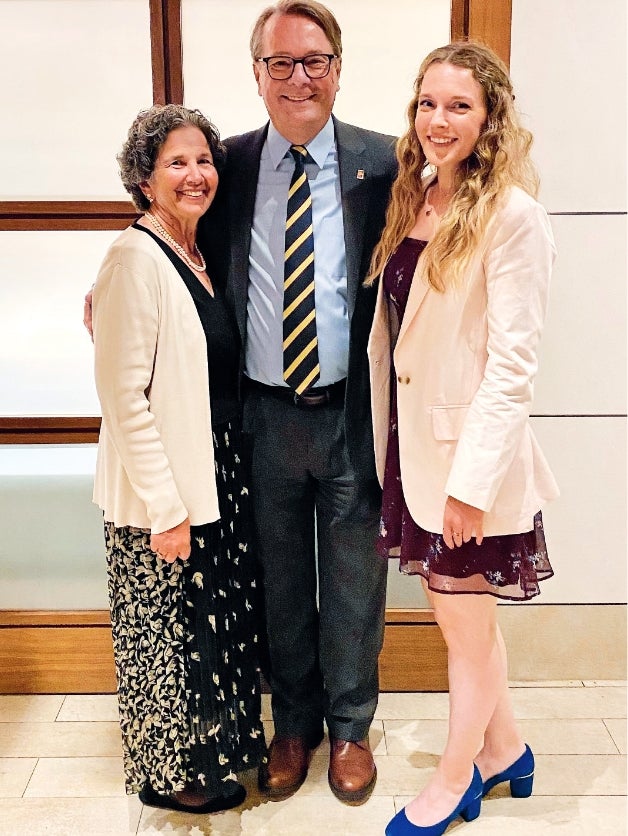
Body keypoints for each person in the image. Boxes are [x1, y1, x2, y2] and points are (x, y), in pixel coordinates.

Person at [199, 0, 397, 803]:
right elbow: (170, 228)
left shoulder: (386, 162)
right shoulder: (229, 164)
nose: (298, 77)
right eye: (279, 63)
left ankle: (351, 727)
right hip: (264, 414)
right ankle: (294, 725)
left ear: (339, 70)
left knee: (355, 580)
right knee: (277, 579)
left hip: (353, 411)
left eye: (313, 60)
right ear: (257, 75)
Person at [366, 43, 559, 835]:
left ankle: (455, 780)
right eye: (428, 104)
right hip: (412, 450)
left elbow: (514, 367)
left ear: (490, 119)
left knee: (463, 633)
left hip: (465, 469)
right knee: (466, 623)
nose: (438, 121)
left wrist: (470, 486)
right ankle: (506, 748)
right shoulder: (415, 197)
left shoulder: (513, 216)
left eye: (459, 107)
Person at [91, 104, 265, 815]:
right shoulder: (134, 258)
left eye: (204, 160)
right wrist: (166, 508)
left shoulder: (197, 250)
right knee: (162, 633)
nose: (196, 175)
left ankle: (205, 751)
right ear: (144, 176)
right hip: (161, 487)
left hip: (214, 466)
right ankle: (167, 774)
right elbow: (123, 398)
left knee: (203, 630)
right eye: (176, 163)